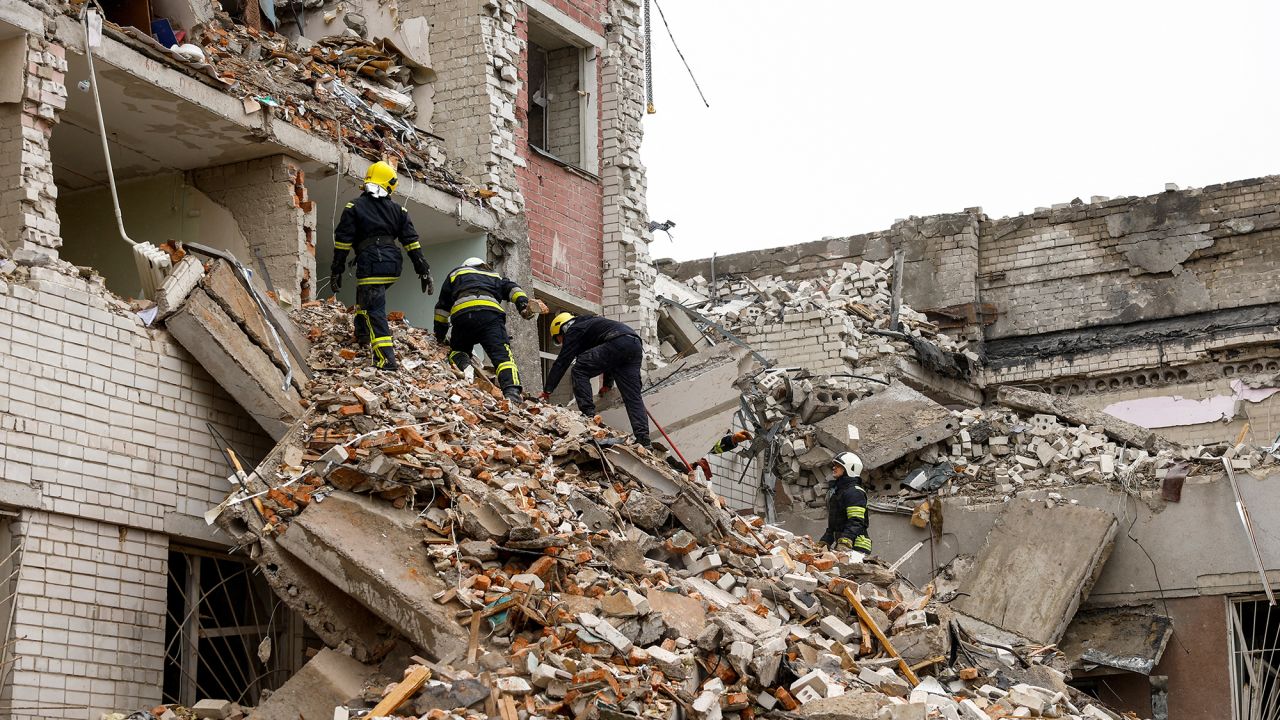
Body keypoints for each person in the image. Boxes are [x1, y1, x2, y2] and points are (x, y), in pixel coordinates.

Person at [330, 161, 433, 371]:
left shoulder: (353, 207)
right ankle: (361, 334)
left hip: (371, 264)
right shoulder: (399, 211)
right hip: (393, 266)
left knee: (373, 309)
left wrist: (336, 270)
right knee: (367, 297)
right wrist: (424, 271)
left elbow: (342, 243)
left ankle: (386, 360)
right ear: (389, 184)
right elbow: (412, 243)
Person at [433, 257, 536, 402]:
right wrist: (523, 305)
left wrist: (440, 335)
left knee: (458, 350)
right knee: (503, 357)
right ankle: (512, 393)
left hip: (463, 317)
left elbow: (442, 308)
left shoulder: (456, 273)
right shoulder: (494, 275)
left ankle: (465, 366)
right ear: (482, 265)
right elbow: (513, 289)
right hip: (490, 317)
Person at [539, 313, 649, 445]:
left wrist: (547, 390)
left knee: (579, 370)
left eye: (559, 339)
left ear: (562, 328)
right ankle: (644, 439)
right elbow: (610, 359)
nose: (563, 342)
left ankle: (589, 415)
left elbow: (562, 362)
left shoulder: (574, 329)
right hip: (634, 343)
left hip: (617, 341)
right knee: (633, 397)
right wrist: (607, 384)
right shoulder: (590, 325)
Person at [820, 451, 872, 555]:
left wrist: (846, 540)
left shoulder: (855, 492)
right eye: (834, 465)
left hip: (857, 546)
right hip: (844, 544)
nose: (834, 468)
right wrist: (825, 542)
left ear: (850, 468)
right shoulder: (838, 492)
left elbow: (856, 521)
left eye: (838, 465)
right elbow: (834, 526)